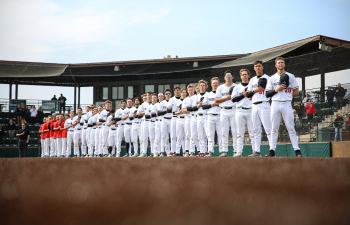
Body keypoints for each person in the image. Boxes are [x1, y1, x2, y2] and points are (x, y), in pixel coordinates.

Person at [265, 57, 303, 157]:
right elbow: (267, 94)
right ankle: (272, 150)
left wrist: (288, 95)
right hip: (275, 103)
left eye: (282, 63)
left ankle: (297, 150)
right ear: (275, 65)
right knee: (274, 128)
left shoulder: (291, 76)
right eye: (279, 63)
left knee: (291, 127)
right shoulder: (272, 78)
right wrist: (277, 89)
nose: (280, 64)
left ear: (284, 65)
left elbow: (296, 91)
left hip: (286, 103)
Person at [246, 60, 272, 157]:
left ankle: (272, 150)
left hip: (264, 104)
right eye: (256, 66)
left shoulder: (267, 78)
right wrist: (255, 90)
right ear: (254, 68)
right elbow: (248, 95)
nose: (258, 67)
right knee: (256, 130)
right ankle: (257, 151)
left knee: (268, 128)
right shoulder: (252, 80)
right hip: (254, 105)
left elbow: (271, 91)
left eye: (259, 66)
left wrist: (260, 89)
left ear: (262, 67)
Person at [231, 69, 255, 157]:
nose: (244, 76)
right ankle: (239, 151)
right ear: (240, 76)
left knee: (252, 133)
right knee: (239, 133)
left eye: (246, 74)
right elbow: (233, 99)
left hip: (251, 110)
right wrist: (243, 95)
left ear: (248, 75)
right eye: (242, 74)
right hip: (240, 110)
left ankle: (255, 151)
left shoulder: (252, 86)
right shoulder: (237, 87)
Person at [215, 70, 237, 157]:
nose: (228, 77)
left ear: (232, 77)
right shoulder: (220, 88)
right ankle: (224, 151)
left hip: (234, 110)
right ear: (224, 78)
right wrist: (227, 98)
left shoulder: (236, 86)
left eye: (230, 75)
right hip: (223, 110)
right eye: (226, 75)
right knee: (224, 132)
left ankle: (236, 150)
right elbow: (216, 100)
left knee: (235, 132)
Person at [192, 80, 211, 157]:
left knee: (208, 134)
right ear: (198, 87)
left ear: (206, 86)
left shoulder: (209, 94)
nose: (202, 86)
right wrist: (199, 105)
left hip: (206, 115)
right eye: (201, 85)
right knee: (200, 135)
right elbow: (194, 108)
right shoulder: (196, 97)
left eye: (203, 85)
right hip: (198, 117)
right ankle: (202, 152)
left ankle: (209, 151)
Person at [206, 77, 222, 157]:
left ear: (219, 84)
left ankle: (222, 151)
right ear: (211, 84)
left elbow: (225, 103)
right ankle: (210, 151)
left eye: (216, 83)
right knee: (210, 135)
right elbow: (204, 106)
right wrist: (212, 104)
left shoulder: (221, 93)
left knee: (221, 134)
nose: (215, 84)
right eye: (213, 83)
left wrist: (218, 103)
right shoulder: (208, 94)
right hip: (210, 116)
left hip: (219, 115)